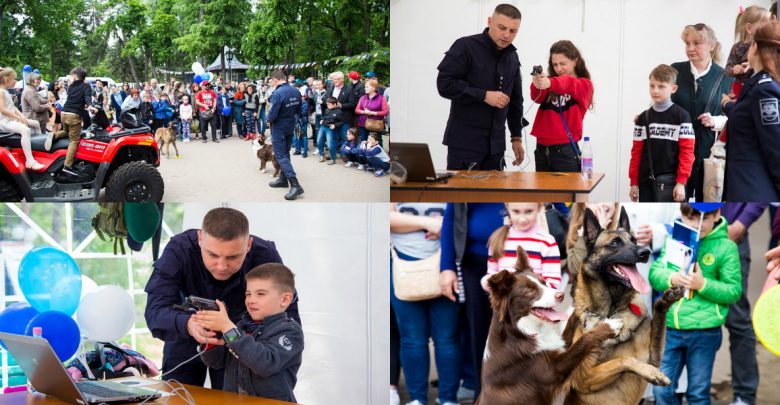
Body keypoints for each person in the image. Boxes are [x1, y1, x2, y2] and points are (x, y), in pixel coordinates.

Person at [144, 207, 300, 389]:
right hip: (186, 332)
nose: (221, 266)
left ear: (248, 245)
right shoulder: (179, 250)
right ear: (200, 239)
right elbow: (155, 310)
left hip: (242, 340)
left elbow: (288, 316)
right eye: (212, 255)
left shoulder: (265, 256)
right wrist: (189, 325)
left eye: (233, 257)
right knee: (177, 396)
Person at [650, 202, 741, 405]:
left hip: (705, 332)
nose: (697, 224)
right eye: (690, 217)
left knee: (698, 394)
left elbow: (733, 292)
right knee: (661, 390)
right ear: (681, 214)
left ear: (717, 214)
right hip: (671, 329)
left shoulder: (727, 247)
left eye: (704, 218)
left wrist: (703, 284)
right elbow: (655, 273)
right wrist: (672, 278)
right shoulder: (674, 239)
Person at [436, 3, 526, 170]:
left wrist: (516, 137)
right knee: (460, 197)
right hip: (464, 144)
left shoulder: (512, 57)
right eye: (502, 27)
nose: (506, 35)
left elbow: (515, 101)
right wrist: (484, 95)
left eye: (513, 31)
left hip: (496, 148)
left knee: (495, 197)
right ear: (490, 21)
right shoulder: (465, 46)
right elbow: (445, 84)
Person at [197, 263, 303, 402]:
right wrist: (210, 340)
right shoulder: (242, 326)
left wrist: (228, 328)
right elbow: (217, 362)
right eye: (248, 294)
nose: (251, 300)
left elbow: (264, 363)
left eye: (260, 294)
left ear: (285, 299)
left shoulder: (291, 332)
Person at [390, 203, 459, 405]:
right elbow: (388, 219)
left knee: (447, 339)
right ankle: (417, 399)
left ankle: (448, 398)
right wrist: (431, 223)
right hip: (403, 263)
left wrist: (443, 228)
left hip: (446, 264)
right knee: (412, 339)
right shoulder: (395, 179)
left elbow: (460, 220)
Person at [439, 203, 505, 398]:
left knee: (515, 332)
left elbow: (558, 205)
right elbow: (450, 218)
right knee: (479, 332)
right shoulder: (465, 173)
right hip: (474, 261)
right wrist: (446, 266)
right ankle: (482, 395)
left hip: (514, 260)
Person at [672, 23, 734, 201]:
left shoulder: (726, 77)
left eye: (697, 43)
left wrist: (715, 121)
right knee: (676, 202)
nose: (690, 48)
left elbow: (735, 117)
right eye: (687, 43)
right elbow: (662, 103)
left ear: (712, 46)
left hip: (709, 153)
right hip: (677, 152)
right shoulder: (675, 70)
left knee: (706, 206)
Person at [723, 22, 780, 201]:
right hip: (743, 188)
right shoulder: (755, 84)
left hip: (754, 191)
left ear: (754, 47)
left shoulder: (764, 89)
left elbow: (775, 146)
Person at [721, 203, 767, 405]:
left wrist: (743, 222)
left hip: (731, 233)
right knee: (684, 316)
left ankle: (744, 396)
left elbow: (762, 184)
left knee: (737, 319)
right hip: (691, 232)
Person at [629, 64, 695, 202]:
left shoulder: (682, 117)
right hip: (646, 183)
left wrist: (681, 183)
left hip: (673, 184)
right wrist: (634, 183)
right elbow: (636, 153)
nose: (655, 91)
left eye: (661, 86)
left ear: (673, 88)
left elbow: (687, 152)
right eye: (652, 86)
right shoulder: (643, 118)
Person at [528, 40, 593, 172]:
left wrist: (549, 83)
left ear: (575, 61)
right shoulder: (552, 82)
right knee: (542, 193)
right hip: (541, 149)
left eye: (563, 63)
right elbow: (537, 97)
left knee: (566, 193)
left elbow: (568, 83)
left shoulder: (584, 84)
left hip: (565, 151)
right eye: (555, 64)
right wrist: (537, 84)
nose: (558, 68)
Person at [481, 202, 561, 291]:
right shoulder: (498, 238)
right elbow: (491, 274)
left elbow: (553, 283)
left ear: (539, 207)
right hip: (506, 303)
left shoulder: (547, 241)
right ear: (507, 207)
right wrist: (489, 282)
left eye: (529, 211)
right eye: (516, 211)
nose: (522, 219)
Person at [52, 67, 95, 180]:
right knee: (74, 140)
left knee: (66, 131)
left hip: (63, 113)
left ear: (75, 76)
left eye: (72, 76)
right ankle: (68, 165)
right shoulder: (86, 86)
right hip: (73, 115)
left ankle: (53, 135)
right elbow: (87, 99)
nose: (71, 78)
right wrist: (90, 106)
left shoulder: (70, 87)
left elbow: (77, 98)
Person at [267, 70, 304, 200]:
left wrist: (268, 118)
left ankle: (295, 184)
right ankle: (283, 179)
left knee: (280, 155)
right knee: (286, 153)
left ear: (275, 80)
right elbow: (299, 110)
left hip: (279, 127)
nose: (272, 83)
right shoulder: (296, 91)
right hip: (290, 125)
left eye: (272, 81)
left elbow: (272, 115)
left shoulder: (277, 93)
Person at [0, 68, 45, 170]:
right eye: (14, 79)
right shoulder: (1, 92)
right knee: (25, 130)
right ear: (7, 79)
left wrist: (22, 117)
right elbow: (3, 110)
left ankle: (40, 149)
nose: (16, 81)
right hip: (5, 121)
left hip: (10, 119)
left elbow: (13, 107)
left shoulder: (6, 91)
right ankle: (30, 161)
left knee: (35, 124)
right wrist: (18, 118)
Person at [355, 78, 389, 146]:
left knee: (377, 142)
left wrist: (373, 113)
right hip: (363, 123)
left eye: (367, 87)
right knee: (364, 141)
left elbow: (385, 112)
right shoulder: (363, 98)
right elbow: (357, 110)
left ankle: (378, 156)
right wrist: (365, 112)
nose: (365, 88)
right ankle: (365, 156)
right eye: (365, 87)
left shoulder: (381, 98)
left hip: (376, 124)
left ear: (373, 88)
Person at [324, 71, 355, 147]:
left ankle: (345, 154)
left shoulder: (349, 89)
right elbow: (325, 100)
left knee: (344, 136)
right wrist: (328, 103)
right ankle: (333, 154)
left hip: (344, 117)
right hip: (332, 118)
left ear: (342, 79)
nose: (334, 81)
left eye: (336, 79)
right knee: (333, 137)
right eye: (333, 79)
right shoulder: (330, 88)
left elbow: (353, 103)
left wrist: (341, 105)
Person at [317, 96, 344, 164]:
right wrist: (322, 119)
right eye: (327, 104)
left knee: (330, 144)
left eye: (329, 104)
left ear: (334, 104)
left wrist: (335, 125)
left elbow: (341, 122)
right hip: (323, 127)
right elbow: (325, 117)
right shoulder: (327, 110)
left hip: (330, 129)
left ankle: (333, 158)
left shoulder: (339, 112)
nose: (327, 105)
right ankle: (321, 155)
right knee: (319, 142)